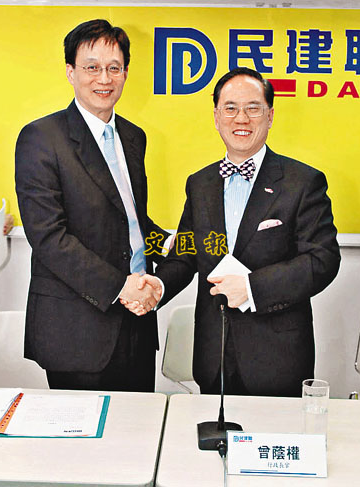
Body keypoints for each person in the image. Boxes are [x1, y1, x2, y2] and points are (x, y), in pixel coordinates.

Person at [124, 67, 341, 397]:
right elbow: (186, 252)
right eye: (230, 108)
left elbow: (322, 260)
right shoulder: (200, 183)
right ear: (216, 116)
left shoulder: (303, 182)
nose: (241, 118)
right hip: (214, 355)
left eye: (253, 108)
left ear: (270, 116)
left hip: (278, 358)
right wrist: (159, 284)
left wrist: (252, 288)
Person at [15, 19, 169, 392]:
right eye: (92, 67)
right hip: (78, 330)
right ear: (71, 72)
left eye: (114, 68)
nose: (104, 78)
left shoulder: (133, 137)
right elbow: (49, 238)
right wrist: (120, 287)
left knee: (138, 426)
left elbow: (131, 221)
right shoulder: (42, 138)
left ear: (125, 73)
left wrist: (171, 245)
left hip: (136, 322)